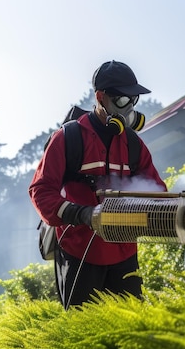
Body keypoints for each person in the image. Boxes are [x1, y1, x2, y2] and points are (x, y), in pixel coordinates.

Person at [29, 61, 167, 309]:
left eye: (133, 99)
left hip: (124, 253)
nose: (129, 107)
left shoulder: (134, 145)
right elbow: (41, 191)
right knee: (83, 336)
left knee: (130, 332)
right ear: (100, 97)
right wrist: (82, 214)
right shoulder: (68, 138)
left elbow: (157, 192)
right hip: (79, 252)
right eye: (122, 100)